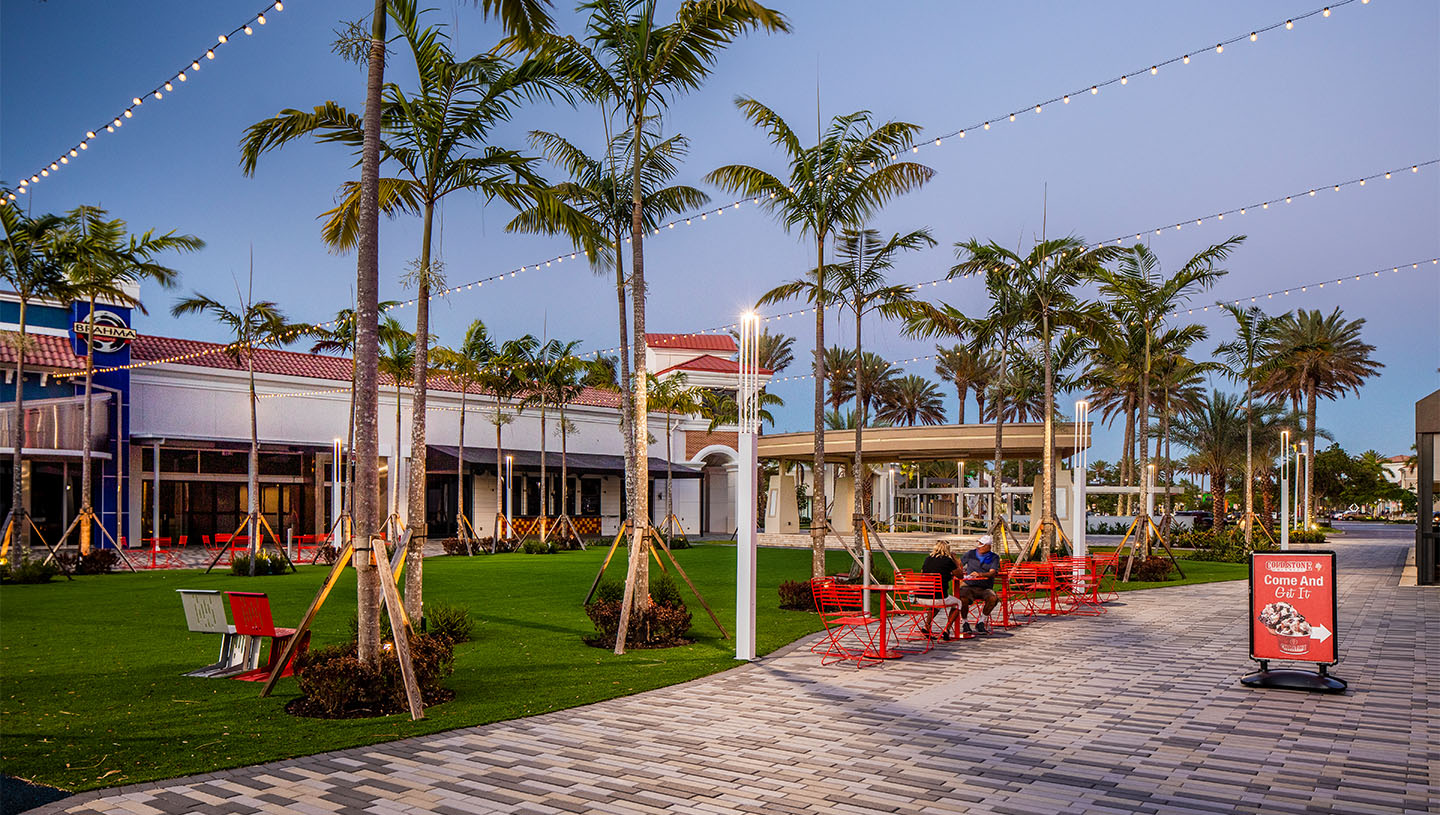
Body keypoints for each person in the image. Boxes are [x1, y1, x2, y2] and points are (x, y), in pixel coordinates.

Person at [917, 540, 963, 639]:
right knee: (958, 603)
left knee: (936, 603)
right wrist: (955, 560)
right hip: (937, 597)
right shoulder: (948, 561)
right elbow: (960, 575)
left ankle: (926, 626)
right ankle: (947, 630)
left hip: (921, 596)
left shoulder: (928, 559)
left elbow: (923, 572)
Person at [957, 535, 1001, 634]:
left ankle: (981, 622)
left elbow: (993, 572)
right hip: (969, 585)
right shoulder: (970, 554)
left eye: (981, 544)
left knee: (993, 598)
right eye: (979, 543)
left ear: (988, 546)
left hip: (985, 587)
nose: (979, 546)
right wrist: (961, 573)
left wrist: (980, 574)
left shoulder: (994, 557)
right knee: (962, 598)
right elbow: (959, 564)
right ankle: (965, 623)